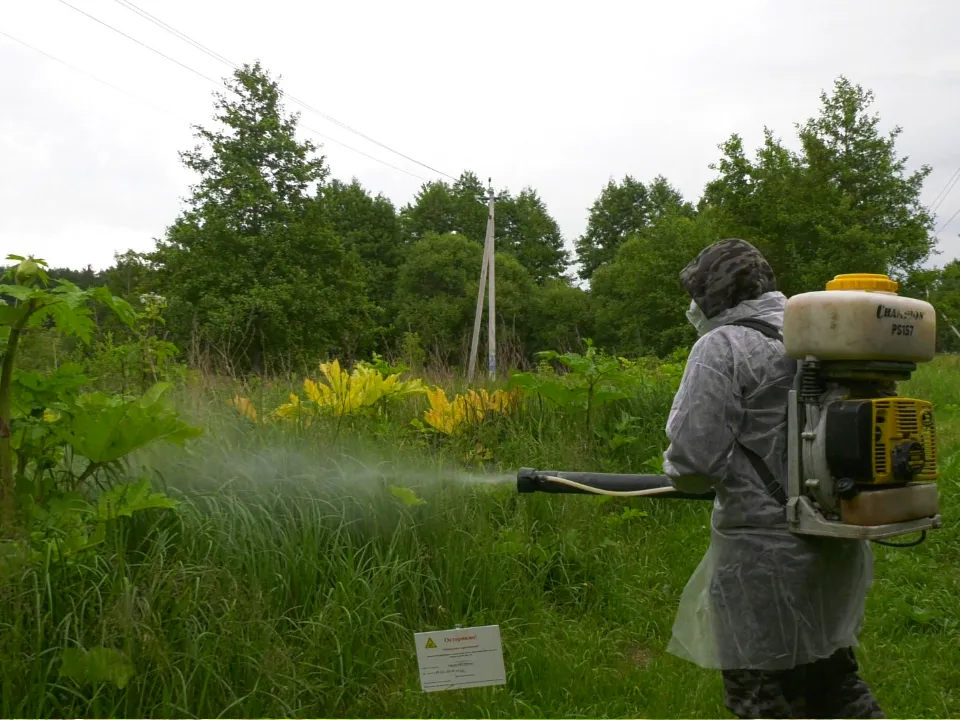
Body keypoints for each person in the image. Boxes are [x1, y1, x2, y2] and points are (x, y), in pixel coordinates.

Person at [661, 238, 884, 719]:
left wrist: (682, 477)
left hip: (762, 564)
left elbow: (693, 463)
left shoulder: (722, 346)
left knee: (763, 697)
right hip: (835, 544)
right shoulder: (823, 337)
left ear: (713, 295)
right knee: (834, 683)